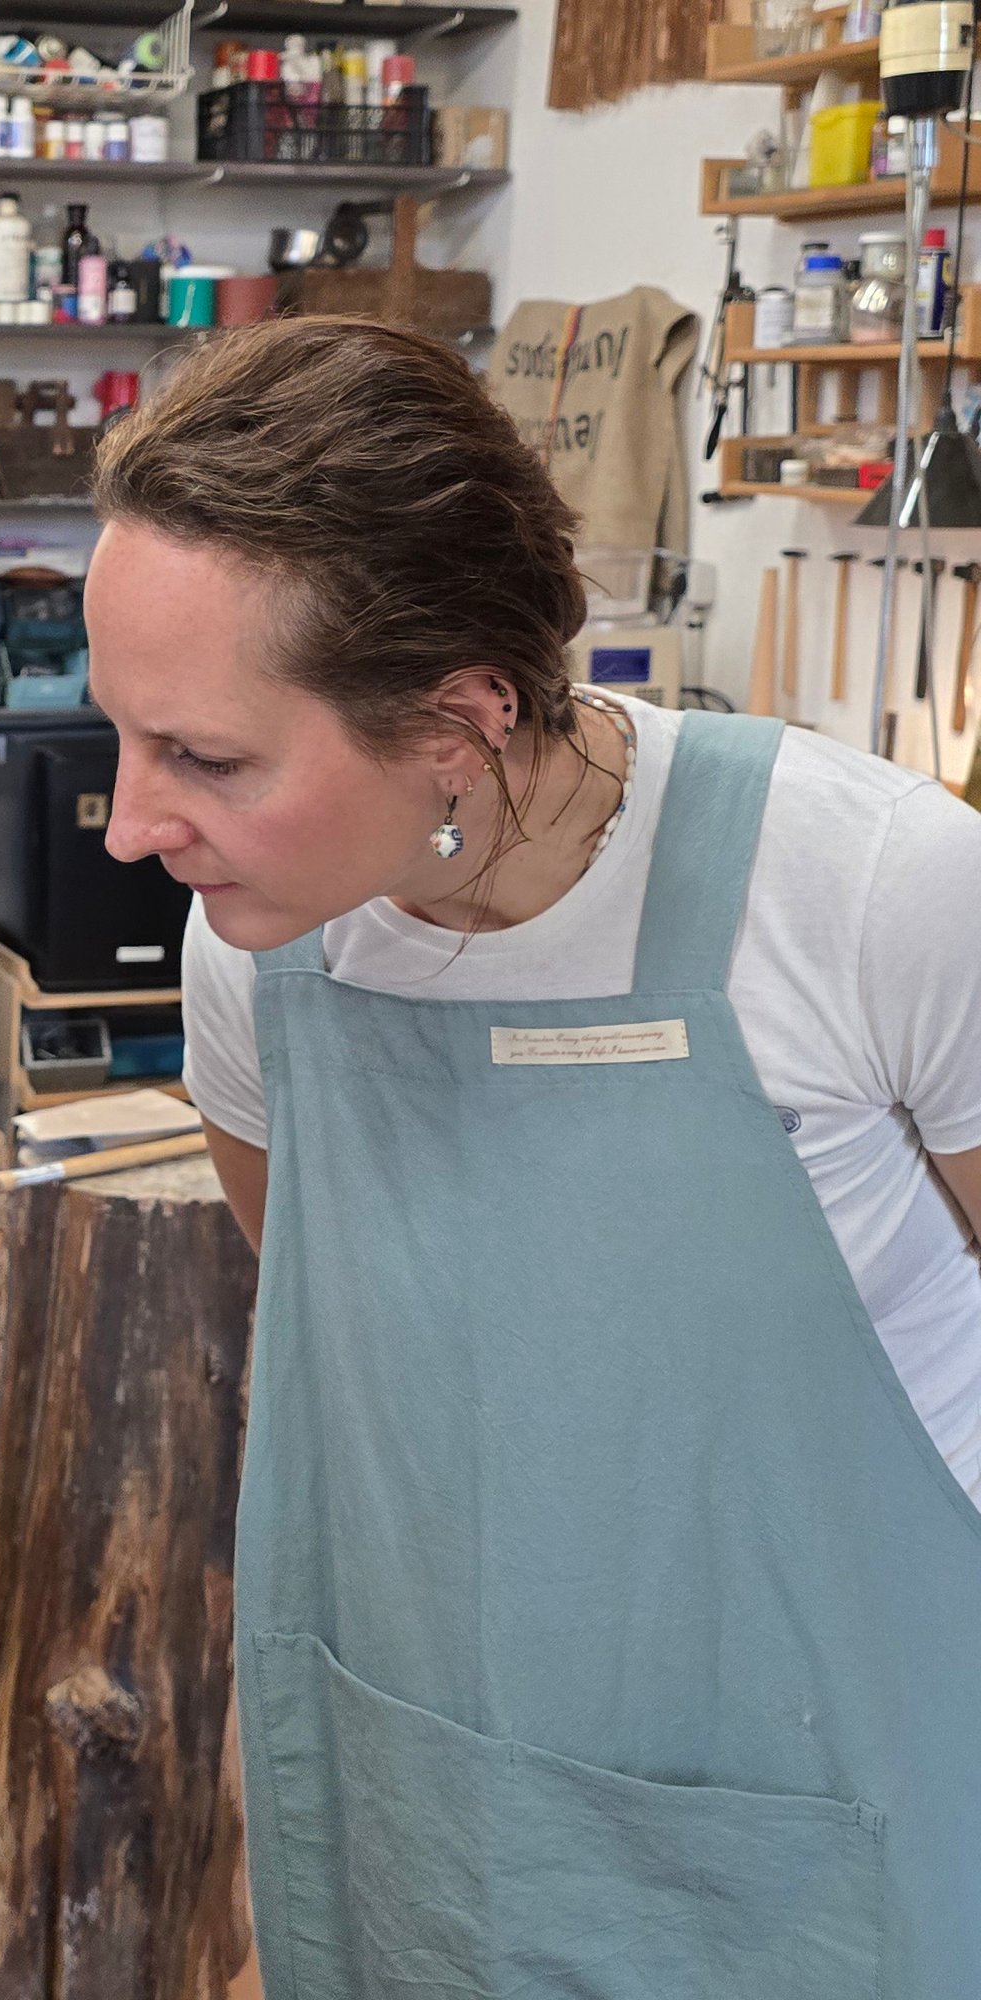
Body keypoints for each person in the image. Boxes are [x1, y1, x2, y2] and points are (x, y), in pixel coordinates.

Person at [86, 318, 981, 1997]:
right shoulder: (257, 958)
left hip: (842, 1796)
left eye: (204, 757)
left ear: (460, 723)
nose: (131, 825)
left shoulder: (873, 894)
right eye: (120, 735)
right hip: (434, 1798)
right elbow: (359, 1348)